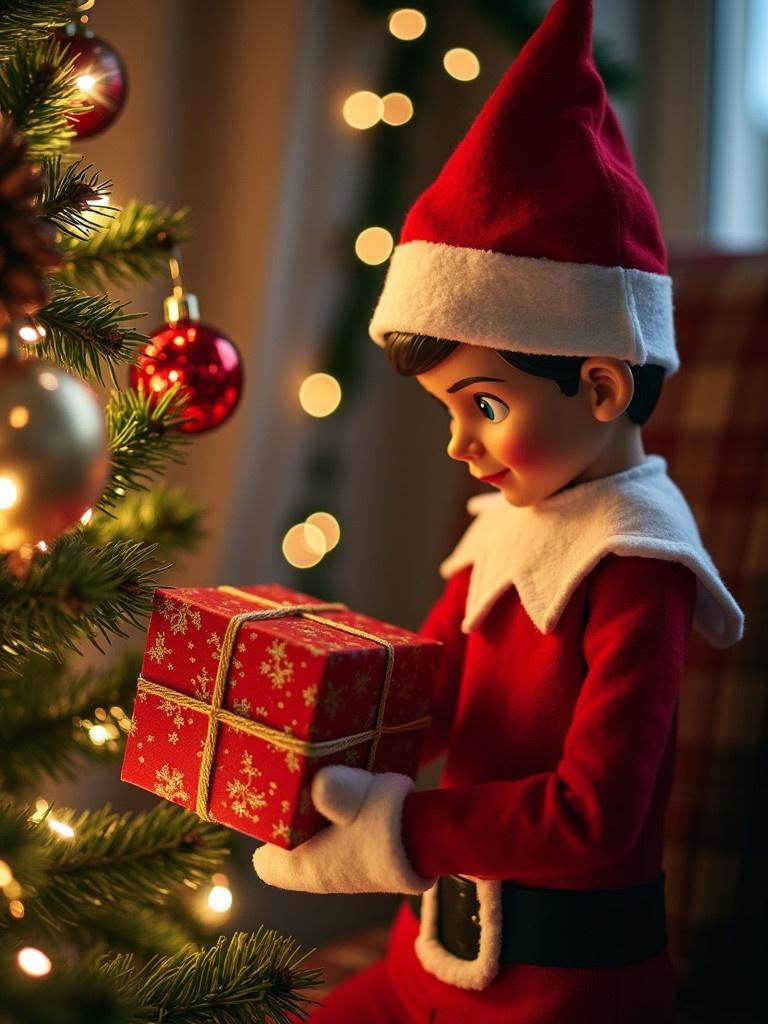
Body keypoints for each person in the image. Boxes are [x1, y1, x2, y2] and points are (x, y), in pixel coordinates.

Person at [252, 1, 744, 1020]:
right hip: (422, 960)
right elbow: (425, 698)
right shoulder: (504, 527)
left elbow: (593, 816)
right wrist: (301, 760)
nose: (458, 445)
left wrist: (396, 832)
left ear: (602, 390)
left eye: (484, 406)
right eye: (448, 410)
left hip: (563, 991)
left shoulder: (638, 568)